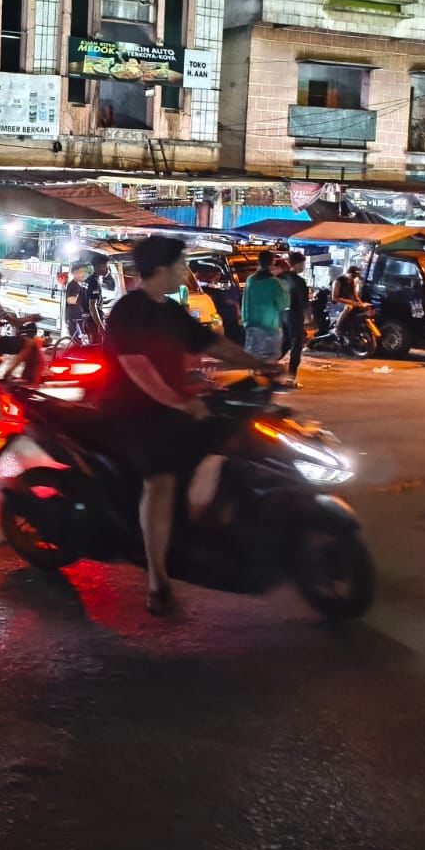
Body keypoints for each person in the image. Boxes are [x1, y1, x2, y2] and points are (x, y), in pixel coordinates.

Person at [102, 235, 277, 615]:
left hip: (171, 405)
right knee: (161, 480)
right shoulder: (128, 312)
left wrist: (258, 363)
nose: (186, 270)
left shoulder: (171, 311)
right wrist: (183, 402)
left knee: (232, 437)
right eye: (181, 264)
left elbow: (212, 344)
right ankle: (157, 580)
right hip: (130, 412)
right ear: (162, 270)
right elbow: (140, 372)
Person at [240, 249, 289, 363]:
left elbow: (245, 301)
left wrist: (244, 320)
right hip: (269, 327)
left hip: (251, 324)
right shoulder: (275, 283)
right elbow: (283, 304)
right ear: (272, 263)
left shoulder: (251, 280)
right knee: (269, 361)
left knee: (252, 359)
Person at [278, 251, 310, 385]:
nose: (303, 267)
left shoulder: (280, 277)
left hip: (282, 315)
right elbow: (304, 302)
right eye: (303, 264)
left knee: (284, 344)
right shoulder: (300, 281)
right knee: (296, 346)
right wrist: (308, 318)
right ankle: (291, 378)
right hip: (295, 315)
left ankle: (264, 367)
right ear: (296, 265)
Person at [332, 265, 367, 340]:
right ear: (348, 273)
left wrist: (361, 304)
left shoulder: (352, 282)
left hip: (349, 302)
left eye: (356, 277)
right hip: (338, 302)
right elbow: (334, 297)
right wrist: (351, 302)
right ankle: (337, 328)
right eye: (353, 276)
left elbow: (355, 296)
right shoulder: (338, 281)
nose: (354, 278)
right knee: (349, 307)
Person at [64, 262, 95, 342]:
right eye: (81, 272)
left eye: (85, 272)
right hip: (75, 317)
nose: (84, 274)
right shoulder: (72, 285)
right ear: (74, 273)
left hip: (83, 316)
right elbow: (69, 300)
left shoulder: (83, 284)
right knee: (80, 341)